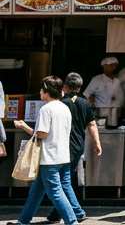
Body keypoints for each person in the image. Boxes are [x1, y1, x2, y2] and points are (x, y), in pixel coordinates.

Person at [13, 76, 78, 225]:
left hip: (49, 157)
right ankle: (23, 220)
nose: (40, 92)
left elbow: (42, 133)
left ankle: (72, 221)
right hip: (63, 156)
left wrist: (24, 127)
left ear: (47, 91)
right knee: (37, 191)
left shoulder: (46, 109)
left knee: (55, 192)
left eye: (42, 89)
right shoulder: (65, 108)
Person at [43, 73, 99, 223]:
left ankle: (76, 211)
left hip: (62, 146)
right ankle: (58, 214)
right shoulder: (85, 103)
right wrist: (97, 143)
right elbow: (92, 124)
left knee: (63, 181)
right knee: (64, 180)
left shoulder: (61, 103)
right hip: (78, 146)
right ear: (80, 87)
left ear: (65, 87)